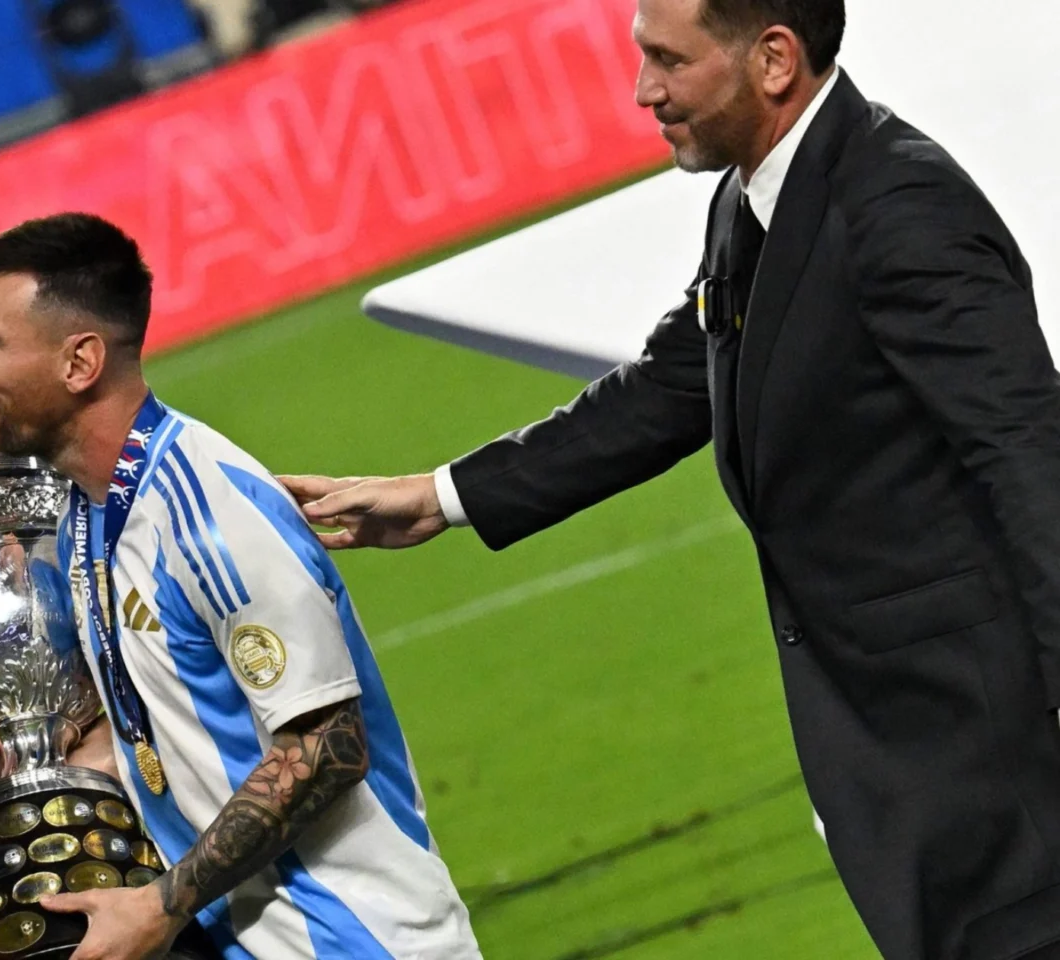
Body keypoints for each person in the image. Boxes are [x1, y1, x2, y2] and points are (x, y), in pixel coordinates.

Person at [279, 1, 1060, 958]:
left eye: (666, 61)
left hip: (992, 754)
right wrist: (441, 495)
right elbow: (669, 386)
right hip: (906, 756)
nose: (643, 91)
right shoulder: (752, 199)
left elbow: (1027, 454)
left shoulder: (899, 207)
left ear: (773, 60)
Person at [0, 212, 480, 960]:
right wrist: (14, 775)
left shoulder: (209, 516)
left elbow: (328, 747)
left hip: (353, 941)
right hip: (236, 938)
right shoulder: (88, 513)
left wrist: (160, 904)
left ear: (80, 363)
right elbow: (154, 732)